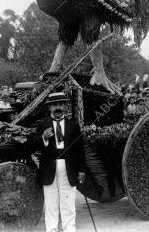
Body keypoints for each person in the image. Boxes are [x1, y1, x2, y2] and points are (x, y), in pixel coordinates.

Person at [28, 91, 85, 232]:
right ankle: (52, 228)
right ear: (49, 108)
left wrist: (82, 170)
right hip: (49, 167)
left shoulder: (73, 125)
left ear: (65, 107)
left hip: (69, 167)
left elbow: (80, 150)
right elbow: (33, 146)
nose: (57, 108)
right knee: (51, 201)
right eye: (54, 105)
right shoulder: (42, 124)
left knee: (68, 200)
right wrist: (43, 138)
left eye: (60, 104)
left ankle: (69, 227)